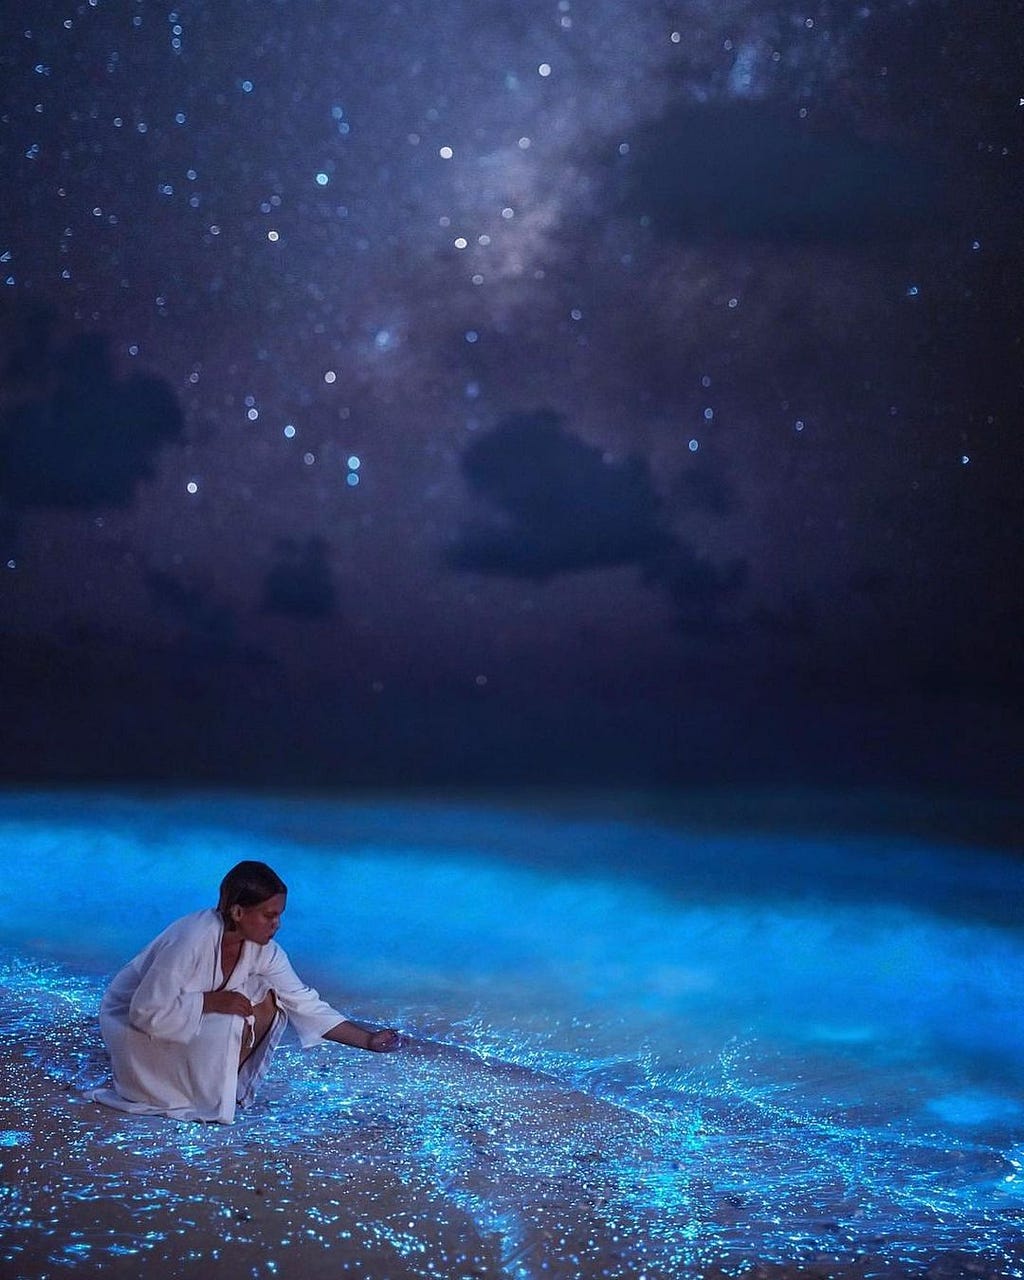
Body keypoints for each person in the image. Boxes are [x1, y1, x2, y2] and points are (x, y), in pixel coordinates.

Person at [90, 860, 403, 1124]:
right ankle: (180, 1091)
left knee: (269, 1000)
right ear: (238, 912)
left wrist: (367, 1040)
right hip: (133, 1027)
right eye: (269, 915)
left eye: (279, 915)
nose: (277, 924)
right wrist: (211, 1002)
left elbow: (303, 1001)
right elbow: (145, 1011)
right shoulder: (190, 938)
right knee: (232, 1015)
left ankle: (216, 1088)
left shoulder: (265, 951)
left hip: (171, 1020)